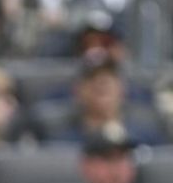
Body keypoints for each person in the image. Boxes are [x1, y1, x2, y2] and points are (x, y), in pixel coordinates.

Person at [31, 55, 167, 146]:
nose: (101, 83)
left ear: (123, 88)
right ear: (77, 91)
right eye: (92, 78)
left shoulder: (147, 138)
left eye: (109, 77)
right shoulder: (61, 142)